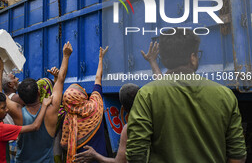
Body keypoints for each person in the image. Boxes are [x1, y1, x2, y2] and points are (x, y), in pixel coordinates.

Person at [126, 28, 247, 162]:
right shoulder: (225, 95)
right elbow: (237, 156)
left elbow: (136, 154)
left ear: (164, 60)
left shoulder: (147, 95)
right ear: (193, 57)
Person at [0, 41, 73, 163]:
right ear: (39, 93)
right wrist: (66, 56)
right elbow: (61, 80)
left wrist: (0, 70)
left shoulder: (17, 112)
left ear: (21, 97)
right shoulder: (51, 110)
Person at [60, 46, 108, 163]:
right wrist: (101, 58)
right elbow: (98, 78)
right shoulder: (95, 106)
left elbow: (64, 144)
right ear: (81, 96)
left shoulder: (68, 119)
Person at [0, 90, 53, 163]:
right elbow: (35, 126)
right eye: (3, 108)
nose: (7, 109)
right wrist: (44, 105)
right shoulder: (2, 129)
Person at [73, 83, 139, 163]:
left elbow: (120, 161)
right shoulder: (153, 119)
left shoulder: (128, 128)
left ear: (124, 109)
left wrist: (95, 155)